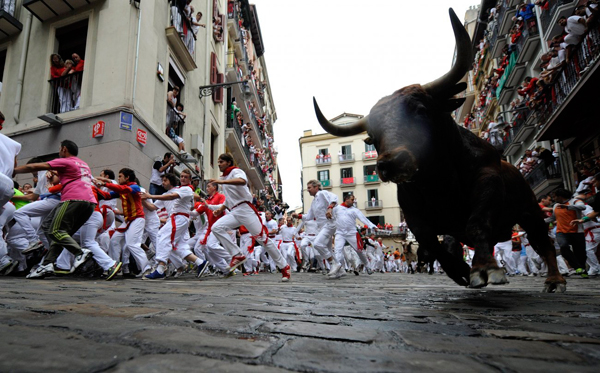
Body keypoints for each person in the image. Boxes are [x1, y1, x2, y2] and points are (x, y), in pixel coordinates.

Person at [13, 140, 96, 279]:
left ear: (64, 149)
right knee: (55, 231)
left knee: (54, 230)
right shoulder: (83, 164)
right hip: (89, 203)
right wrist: (52, 172)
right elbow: (57, 181)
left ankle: (80, 253)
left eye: (59, 149)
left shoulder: (66, 161)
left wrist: (12, 170)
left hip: (73, 200)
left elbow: (35, 166)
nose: (59, 152)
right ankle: (47, 264)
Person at [208, 153, 291, 281]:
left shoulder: (236, 171)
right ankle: (237, 254)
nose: (218, 164)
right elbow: (229, 199)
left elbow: (242, 181)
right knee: (216, 227)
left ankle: (284, 266)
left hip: (245, 210)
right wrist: (221, 209)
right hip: (235, 211)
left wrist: (220, 181)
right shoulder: (224, 178)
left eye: (221, 162)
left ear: (228, 163)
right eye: (218, 162)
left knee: (263, 239)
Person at [142, 170, 206, 279]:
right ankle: (200, 262)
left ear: (190, 179)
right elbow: (152, 207)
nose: (183, 178)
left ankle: (161, 269)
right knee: (177, 246)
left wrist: (150, 196)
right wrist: (142, 199)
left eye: (185, 177)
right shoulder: (180, 190)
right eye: (181, 176)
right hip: (178, 220)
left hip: (178, 219)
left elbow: (174, 197)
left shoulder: (185, 189)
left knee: (163, 237)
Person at [293, 180, 342, 277]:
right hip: (322, 227)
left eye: (309, 188)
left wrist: (330, 208)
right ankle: (341, 271)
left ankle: (334, 264)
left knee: (317, 244)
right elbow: (309, 216)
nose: (308, 190)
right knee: (328, 249)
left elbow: (334, 198)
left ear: (316, 187)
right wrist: (298, 216)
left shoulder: (322, 193)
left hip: (329, 224)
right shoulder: (314, 201)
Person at [330, 194, 376, 277]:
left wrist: (372, 226)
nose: (353, 201)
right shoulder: (337, 209)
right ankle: (338, 270)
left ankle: (368, 266)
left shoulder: (355, 210)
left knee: (360, 251)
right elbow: (330, 216)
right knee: (338, 251)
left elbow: (363, 219)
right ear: (346, 199)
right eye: (352, 199)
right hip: (340, 233)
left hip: (352, 233)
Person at [546, 188, 588, 278]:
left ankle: (583, 269)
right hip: (561, 231)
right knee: (563, 247)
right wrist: (541, 221)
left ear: (560, 196)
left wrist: (568, 207)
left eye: (554, 197)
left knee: (580, 253)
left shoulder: (575, 201)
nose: (554, 199)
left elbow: (583, 207)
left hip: (577, 231)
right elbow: (553, 218)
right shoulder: (555, 205)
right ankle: (577, 267)